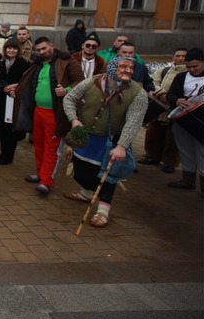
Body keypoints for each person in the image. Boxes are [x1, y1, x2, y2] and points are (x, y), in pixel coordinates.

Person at [62, 57, 148, 228]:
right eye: (123, 67)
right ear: (112, 69)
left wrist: (122, 146)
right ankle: (86, 193)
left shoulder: (138, 93)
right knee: (81, 169)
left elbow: (133, 122)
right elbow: (69, 99)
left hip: (113, 140)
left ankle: (103, 210)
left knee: (108, 175)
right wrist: (74, 120)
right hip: (87, 136)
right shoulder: (91, 82)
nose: (128, 71)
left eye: (131, 68)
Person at [8, 37, 82, 195]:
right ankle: (40, 173)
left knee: (52, 147)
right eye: (39, 50)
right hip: (38, 111)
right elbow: (28, 81)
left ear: (52, 46)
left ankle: (47, 180)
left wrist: (67, 90)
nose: (41, 52)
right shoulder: (38, 63)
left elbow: (81, 82)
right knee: (39, 144)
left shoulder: (67, 61)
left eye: (44, 48)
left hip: (55, 112)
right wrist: (17, 88)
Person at [141, 48, 188, 173]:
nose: (181, 58)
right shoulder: (164, 71)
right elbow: (153, 82)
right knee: (153, 133)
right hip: (160, 106)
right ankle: (152, 156)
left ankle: (170, 162)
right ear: (173, 57)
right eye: (178, 55)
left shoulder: (188, 74)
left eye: (184, 56)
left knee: (172, 138)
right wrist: (161, 93)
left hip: (177, 108)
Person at [166, 48, 204, 193]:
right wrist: (177, 100)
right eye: (189, 67)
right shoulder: (182, 77)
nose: (192, 69)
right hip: (183, 119)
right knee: (185, 149)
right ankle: (187, 179)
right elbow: (171, 95)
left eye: (195, 66)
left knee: (202, 152)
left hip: (201, 121)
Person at [0, 38, 31, 165]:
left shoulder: (24, 64)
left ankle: (9, 155)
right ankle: (3, 153)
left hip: (15, 99)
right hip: (3, 98)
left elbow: (27, 81)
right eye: (9, 48)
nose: (11, 51)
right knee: (2, 126)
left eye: (14, 48)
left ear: (18, 50)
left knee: (11, 128)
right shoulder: (2, 63)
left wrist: (15, 87)